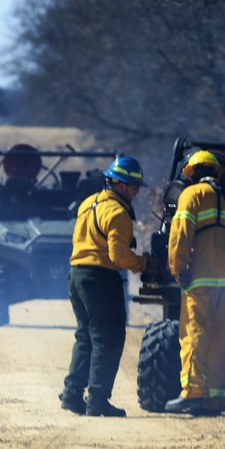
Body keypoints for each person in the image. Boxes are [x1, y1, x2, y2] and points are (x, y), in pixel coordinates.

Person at [59, 155, 152, 418]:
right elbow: (119, 257)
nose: (135, 193)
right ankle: (98, 400)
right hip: (100, 279)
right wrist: (143, 264)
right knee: (108, 338)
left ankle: (71, 395)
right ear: (121, 185)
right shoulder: (119, 213)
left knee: (85, 336)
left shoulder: (88, 203)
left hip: (76, 275)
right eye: (134, 187)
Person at [165, 151, 225, 416]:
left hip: (202, 276)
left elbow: (180, 235)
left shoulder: (191, 196)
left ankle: (194, 392)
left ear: (191, 174)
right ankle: (216, 398)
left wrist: (178, 269)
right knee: (222, 337)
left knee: (195, 332)